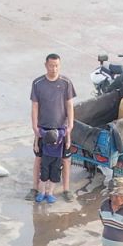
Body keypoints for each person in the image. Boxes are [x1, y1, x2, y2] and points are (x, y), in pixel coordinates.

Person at [30, 54, 77, 203]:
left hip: (61, 128)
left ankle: (66, 189)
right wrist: (35, 127)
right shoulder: (38, 83)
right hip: (43, 127)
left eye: (57, 65)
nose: (54, 68)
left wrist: (70, 125)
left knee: (65, 160)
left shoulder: (66, 83)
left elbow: (69, 104)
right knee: (39, 158)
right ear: (46, 65)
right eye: (51, 65)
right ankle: (35, 188)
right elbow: (35, 106)